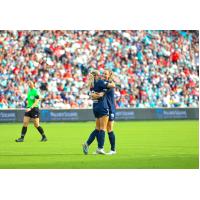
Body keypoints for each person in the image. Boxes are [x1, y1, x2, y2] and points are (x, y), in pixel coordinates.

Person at [82, 70, 115, 155]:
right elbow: (99, 94)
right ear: (97, 75)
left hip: (102, 107)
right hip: (104, 107)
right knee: (104, 129)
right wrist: (99, 94)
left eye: (105, 74)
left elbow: (92, 95)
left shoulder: (93, 84)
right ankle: (102, 148)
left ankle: (89, 144)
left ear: (109, 75)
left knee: (101, 129)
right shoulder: (101, 83)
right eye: (102, 74)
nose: (103, 75)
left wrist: (96, 95)